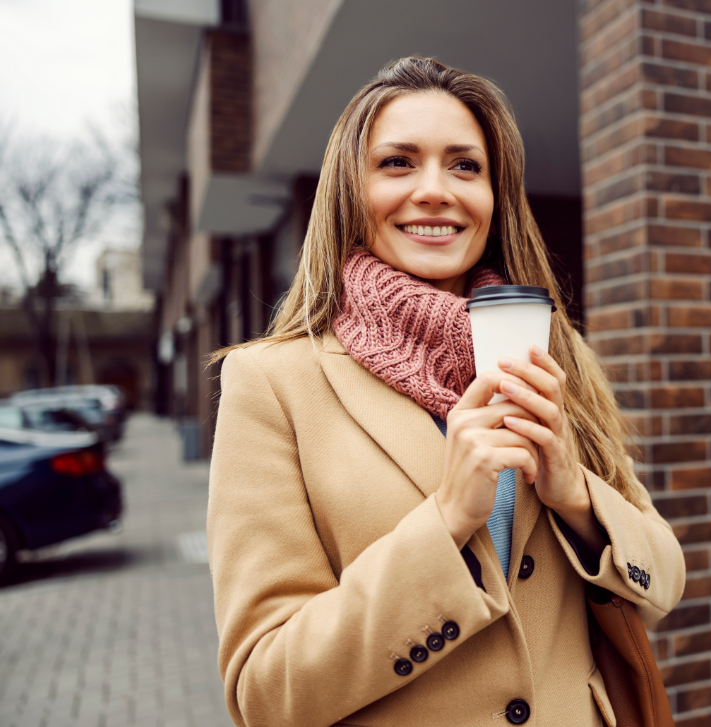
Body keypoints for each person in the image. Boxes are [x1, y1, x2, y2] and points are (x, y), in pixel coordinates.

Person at [207, 57, 685, 727]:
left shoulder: (554, 352)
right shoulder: (271, 383)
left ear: (495, 196)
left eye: (465, 166)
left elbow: (664, 576)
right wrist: (447, 522)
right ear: (349, 190)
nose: (435, 190)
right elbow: (265, 691)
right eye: (398, 163)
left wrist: (576, 497)